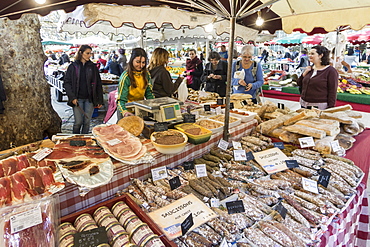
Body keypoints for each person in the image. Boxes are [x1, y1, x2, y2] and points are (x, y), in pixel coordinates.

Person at [63, 45, 104, 134]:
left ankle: (85, 141)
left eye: (90, 53)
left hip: (89, 99)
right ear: (81, 53)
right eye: (87, 53)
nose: (89, 55)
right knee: (78, 122)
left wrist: (100, 100)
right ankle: (75, 139)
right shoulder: (73, 66)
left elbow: (98, 84)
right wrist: (72, 97)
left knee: (87, 122)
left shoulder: (93, 67)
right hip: (77, 98)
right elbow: (66, 83)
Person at [297, 45, 338, 110]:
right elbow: (299, 83)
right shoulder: (310, 68)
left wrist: (330, 108)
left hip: (318, 107)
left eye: (312, 54)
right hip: (304, 104)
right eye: (309, 53)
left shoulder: (330, 71)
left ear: (320, 55)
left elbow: (332, 91)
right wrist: (305, 73)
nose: (309, 55)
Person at [117, 48, 154, 119]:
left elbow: (149, 93)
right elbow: (121, 99)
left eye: (143, 62)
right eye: (138, 62)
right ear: (132, 60)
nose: (141, 65)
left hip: (140, 109)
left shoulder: (146, 74)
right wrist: (125, 112)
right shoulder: (126, 76)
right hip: (126, 110)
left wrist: (153, 106)